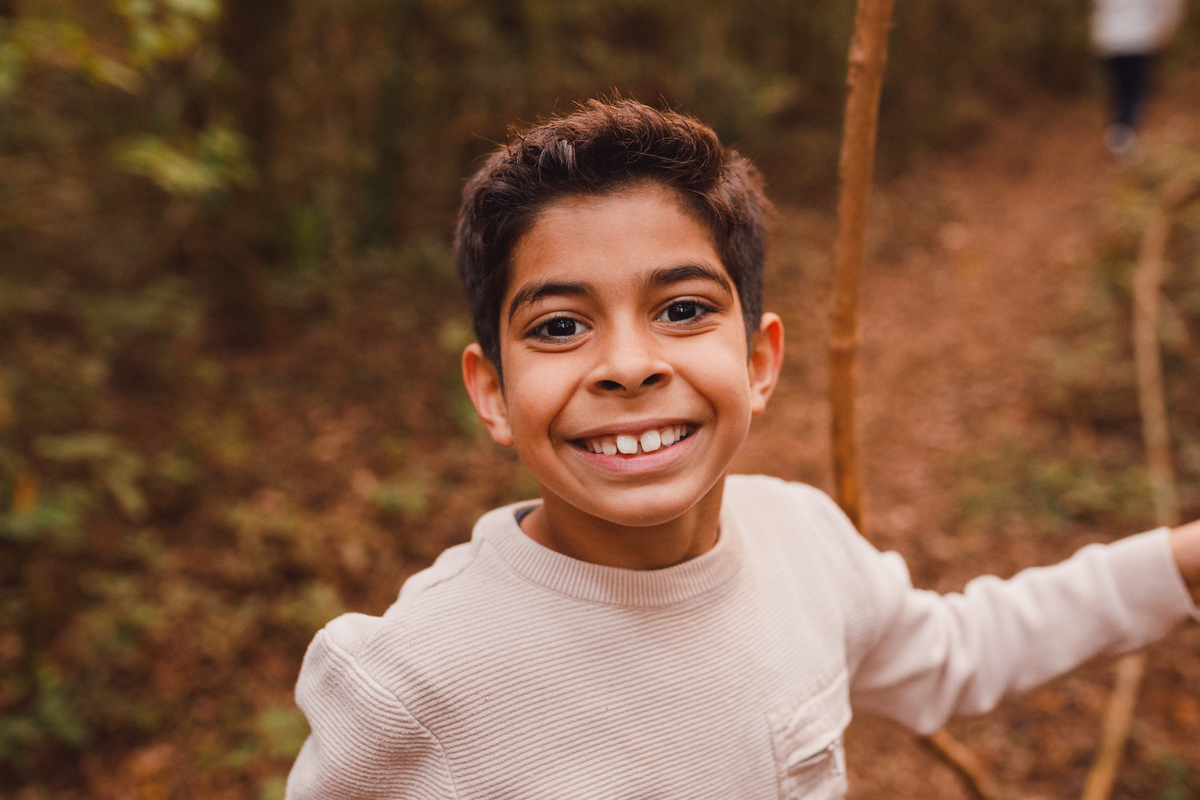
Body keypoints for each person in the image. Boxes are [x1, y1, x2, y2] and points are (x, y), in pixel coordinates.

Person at [285, 99, 1200, 799]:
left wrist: (1179, 566)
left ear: (760, 361)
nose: (630, 364)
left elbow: (957, 651)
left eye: (682, 310)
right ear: (491, 392)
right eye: (560, 325)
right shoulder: (409, 683)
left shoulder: (803, 539)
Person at [1092, 0, 1184, 155]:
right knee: (1133, 90)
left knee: (1120, 88)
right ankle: (1123, 133)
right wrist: (1166, 27)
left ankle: (1119, 131)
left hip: (1109, 40)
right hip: (1137, 39)